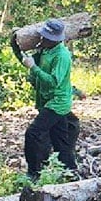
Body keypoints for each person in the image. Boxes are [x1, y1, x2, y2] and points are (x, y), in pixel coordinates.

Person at [14, 19, 78, 180]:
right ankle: (69, 172)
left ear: (55, 39)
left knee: (33, 133)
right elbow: (24, 59)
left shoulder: (62, 56)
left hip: (57, 102)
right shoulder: (45, 51)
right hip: (47, 101)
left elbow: (53, 82)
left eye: (46, 37)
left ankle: (34, 173)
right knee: (60, 140)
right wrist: (14, 43)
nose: (43, 39)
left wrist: (33, 68)